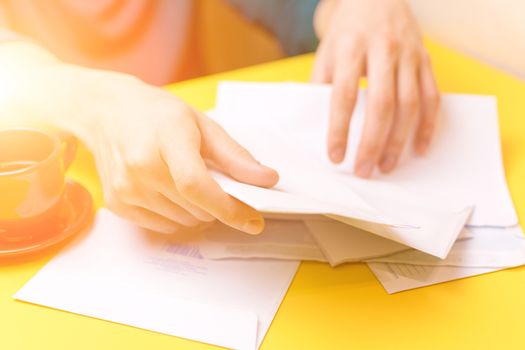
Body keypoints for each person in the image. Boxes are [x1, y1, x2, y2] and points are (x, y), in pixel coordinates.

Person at [0, 0, 439, 235]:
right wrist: (96, 104)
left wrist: (359, 6)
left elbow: (301, 8)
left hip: (204, 192)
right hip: (43, 192)